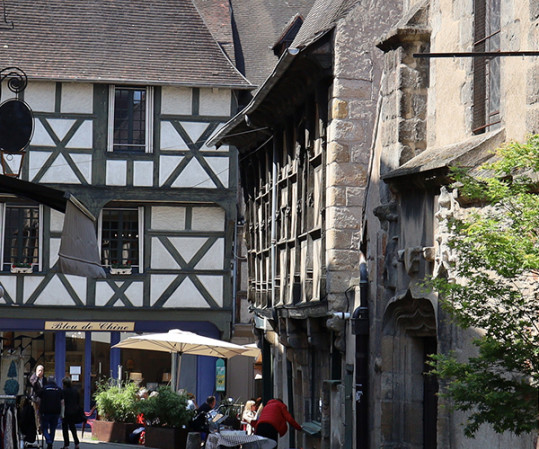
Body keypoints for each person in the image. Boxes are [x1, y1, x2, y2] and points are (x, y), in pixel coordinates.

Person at [39, 376, 64, 449]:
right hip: (56, 412)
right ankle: (51, 441)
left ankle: (48, 440)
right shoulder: (58, 389)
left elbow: (39, 399)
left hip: (45, 411)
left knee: (44, 427)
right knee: (53, 428)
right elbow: (62, 402)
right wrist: (62, 413)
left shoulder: (44, 389)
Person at [61, 377, 80, 449]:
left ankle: (66, 445)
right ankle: (76, 443)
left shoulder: (63, 391)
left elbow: (62, 402)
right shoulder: (75, 391)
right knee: (73, 428)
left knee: (65, 428)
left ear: (64, 384)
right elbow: (78, 401)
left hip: (66, 412)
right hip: (73, 412)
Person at [29, 365, 45, 433]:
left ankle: (41, 427)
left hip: (42, 399)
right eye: (39, 370)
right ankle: (37, 426)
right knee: (35, 414)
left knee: (41, 414)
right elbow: (33, 384)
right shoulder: (33, 378)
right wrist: (37, 378)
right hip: (35, 399)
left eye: (41, 370)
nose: (40, 372)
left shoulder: (44, 379)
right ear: (36, 371)